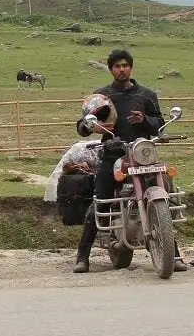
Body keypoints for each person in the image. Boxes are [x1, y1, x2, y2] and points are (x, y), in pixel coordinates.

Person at [72, 49, 187, 274]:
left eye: (125, 65)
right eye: (117, 66)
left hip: (143, 155)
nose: (121, 69)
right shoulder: (101, 95)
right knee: (100, 200)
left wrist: (145, 120)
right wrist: (91, 126)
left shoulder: (146, 95)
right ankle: (82, 256)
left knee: (164, 191)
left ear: (131, 68)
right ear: (111, 69)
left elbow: (160, 124)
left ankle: (173, 253)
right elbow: (82, 125)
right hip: (113, 154)